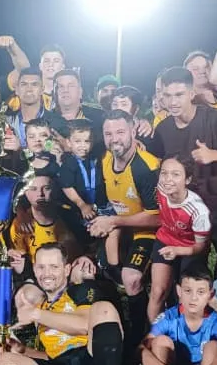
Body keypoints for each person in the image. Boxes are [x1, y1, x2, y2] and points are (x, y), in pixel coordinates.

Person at [148, 67, 217, 270]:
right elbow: (154, 160)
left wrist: (214, 155)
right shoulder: (163, 129)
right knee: (190, 274)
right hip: (187, 215)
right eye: (167, 96)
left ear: (191, 93)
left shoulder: (215, 118)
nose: (173, 102)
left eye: (179, 95)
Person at [85, 110, 161, 346]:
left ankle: (138, 336)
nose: (114, 139)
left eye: (120, 132)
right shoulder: (105, 159)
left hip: (147, 231)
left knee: (131, 278)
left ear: (133, 131)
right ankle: (113, 324)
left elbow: (158, 218)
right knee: (97, 268)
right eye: (108, 133)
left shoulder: (146, 168)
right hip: (119, 225)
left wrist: (113, 222)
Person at [0, 243, 123, 365]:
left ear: (66, 270)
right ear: (35, 270)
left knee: (104, 309)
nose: (47, 274)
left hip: (89, 358)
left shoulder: (80, 290)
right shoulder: (40, 308)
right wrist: (22, 350)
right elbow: (51, 358)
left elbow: (83, 325)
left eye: (54, 267)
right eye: (41, 267)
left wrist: (36, 314)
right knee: (3, 360)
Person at [148, 156, 212, 322]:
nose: (168, 179)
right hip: (165, 239)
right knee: (157, 291)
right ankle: (154, 333)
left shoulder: (199, 211)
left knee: (185, 296)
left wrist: (178, 250)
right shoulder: (161, 188)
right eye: (164, 173)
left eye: (175, 174)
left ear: (187, 179)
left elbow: (200, 246)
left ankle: (184, 330)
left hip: (190, 248)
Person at [142, 270, 217, 365]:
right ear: (179, 291)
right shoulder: (169, 317)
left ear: (211, 295)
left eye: (200, 292)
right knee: (160, 342)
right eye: (188, 291)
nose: (193, 298)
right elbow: (142, 348)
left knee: (213, 346)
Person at [7, 173, 87, 280]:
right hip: (38, 277)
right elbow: (20, 265)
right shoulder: (20, 224)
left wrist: (85, 258)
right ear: (25, 192)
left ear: (55, 190)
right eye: (33, 189)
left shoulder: (69, 216)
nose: (40, 194)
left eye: (46, 188)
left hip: (70, 273)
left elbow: (89, 247)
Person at [6, 67, 67, 144]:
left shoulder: (58, 123)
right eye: (24, 84)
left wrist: (20, 149)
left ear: (42, 90)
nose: (29, 89)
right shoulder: (6, 121)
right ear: (17, 90)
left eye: (34, 84)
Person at [58, 120, 101, 221]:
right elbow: (67, 187)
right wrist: (82, 205)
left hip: (98, 207)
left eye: (87, 141)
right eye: (77, 141)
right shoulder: (68, 163)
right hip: (78, 210)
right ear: (69, 142)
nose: (83, 145)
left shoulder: (95, 157)